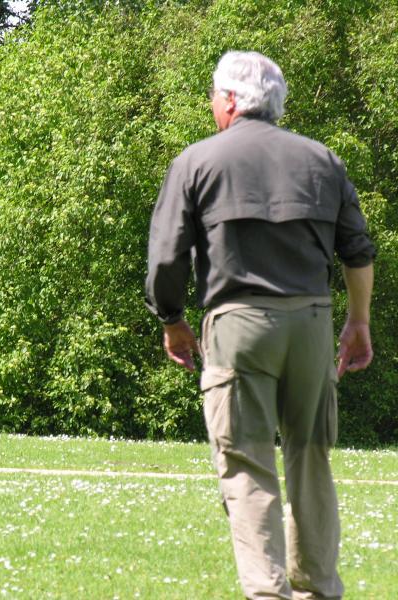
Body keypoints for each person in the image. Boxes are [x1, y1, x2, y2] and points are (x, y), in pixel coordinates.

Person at [145, 51, 375, 599]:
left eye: (211, 96)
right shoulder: (323, 160)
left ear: (229, 101)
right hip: (313, 323)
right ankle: (319, 587)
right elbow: (358, 251)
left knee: (246, 459)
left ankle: (268, 591)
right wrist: (358, 321)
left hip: (239, 324)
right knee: (311, 455)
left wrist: (172, 320)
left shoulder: (197, 161)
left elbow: (166, 259)